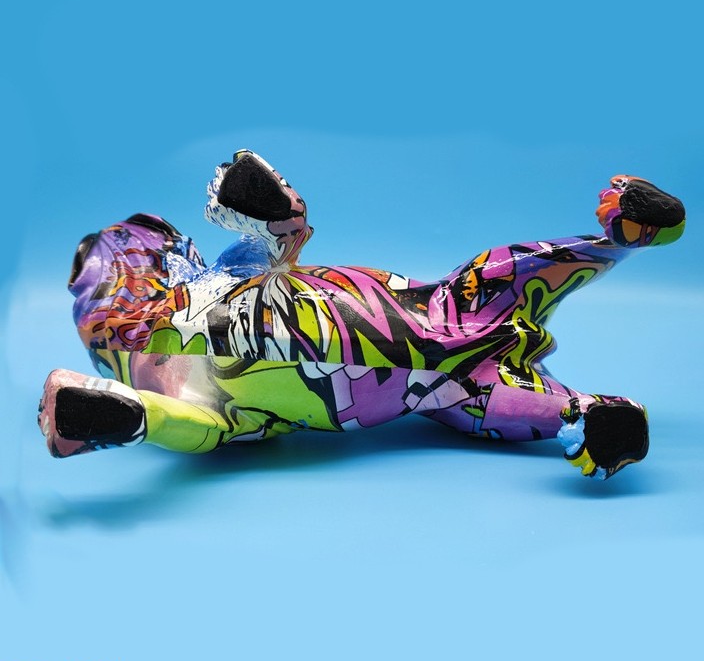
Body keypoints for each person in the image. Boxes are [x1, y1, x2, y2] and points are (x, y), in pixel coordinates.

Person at [38, 150, 686, 480]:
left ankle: (586, 406)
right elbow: (200, 418)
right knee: (485, 314)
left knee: (480, 319)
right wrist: (273, 225)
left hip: (389, 358)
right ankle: (587, 403)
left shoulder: (200, 294)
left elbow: (198, 425)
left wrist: (140, 414)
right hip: (416, 352)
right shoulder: (200, 295)